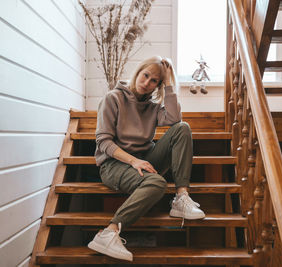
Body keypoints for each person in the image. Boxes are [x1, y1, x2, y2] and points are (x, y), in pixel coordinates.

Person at [88, 56, 205, 261]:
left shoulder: (152, 106)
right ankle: (109, 232)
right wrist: (133, 161)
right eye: (146, 75)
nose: (147, 83)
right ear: (138, 72)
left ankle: (181, 197)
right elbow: (103, 142)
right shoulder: (113, 98)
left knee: (182, 128)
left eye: (155, 81)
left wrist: (168, 84)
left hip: (145, 158)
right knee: (157, 183)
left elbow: (174, 119)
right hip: (114, 164)